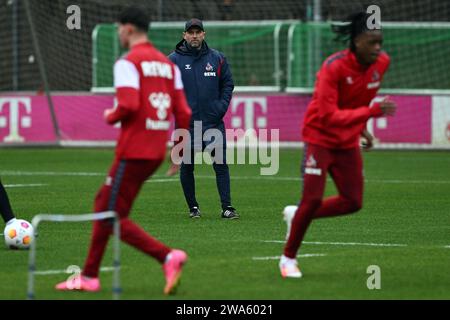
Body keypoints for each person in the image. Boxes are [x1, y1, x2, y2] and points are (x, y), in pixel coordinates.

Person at [55, 6, 192, 295]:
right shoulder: (168, 66)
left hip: (133, 150)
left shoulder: (128, 62)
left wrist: (109, 116)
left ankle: (167, 256)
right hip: (153, 151)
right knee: (104, 205)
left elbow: (127, 105)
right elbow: (183, 112)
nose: (118, 33)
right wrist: (178, 149)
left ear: (128, 29)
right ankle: (90, 275)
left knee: (108, 214)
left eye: (119, 28)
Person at [279, 11, 397, 278]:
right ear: (356, 41)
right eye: (372, 42)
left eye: (380, 42)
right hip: (319, 138)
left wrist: (363, 129)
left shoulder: (382, 63)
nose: (378, 48)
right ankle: (287, 259)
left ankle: (296, 215)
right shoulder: (333, 67)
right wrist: (370, 114)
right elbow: (328, 115)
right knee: (312, 200)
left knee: (353, 201)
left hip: (346, 142)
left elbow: (355, 100)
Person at [167, 18, 239, 219]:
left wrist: (221, 107)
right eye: (191, 32)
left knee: (221, 165)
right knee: (187, 166)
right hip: (186, 126)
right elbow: (165, 88)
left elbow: (228, 84)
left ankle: (227, 208)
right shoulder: (173, 61)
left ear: (204, 34)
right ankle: (193, 208)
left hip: (213, 123)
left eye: (198, 32)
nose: (195, 36)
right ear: (184, 36)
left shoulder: (217, 58)